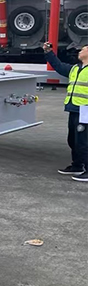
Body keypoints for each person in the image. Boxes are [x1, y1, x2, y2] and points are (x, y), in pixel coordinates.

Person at [43, 41, 88, 182]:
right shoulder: (75, 68)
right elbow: (58, 66)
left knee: (84, 141)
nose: (80, 51)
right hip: (74, 108)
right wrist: (48, 53)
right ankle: (77, 165)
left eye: (83, 49)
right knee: (73, 140)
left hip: (85, 110)